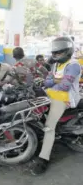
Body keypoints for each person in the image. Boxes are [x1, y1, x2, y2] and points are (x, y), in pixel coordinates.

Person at [30, 36, 81, 175]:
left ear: (67, 51)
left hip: (65, 98)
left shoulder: (73, 65)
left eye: (59, 53)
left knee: (49, 127)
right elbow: (47, 82)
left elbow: (65, 86)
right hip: (51, 94)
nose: (55, 55)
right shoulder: (56, 65)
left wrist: (53, 80)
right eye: (54, 53)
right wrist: (53, 80)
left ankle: (43, 158)